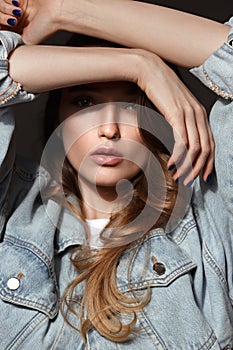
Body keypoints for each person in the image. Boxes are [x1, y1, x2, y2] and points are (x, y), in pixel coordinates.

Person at [0, 3, 232, 350]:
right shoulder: (13, 208)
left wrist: (64, 9)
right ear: (58, 117)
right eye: (83, 101)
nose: (109, 129)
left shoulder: (208, 219)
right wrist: (141, 67)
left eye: (130, 106)